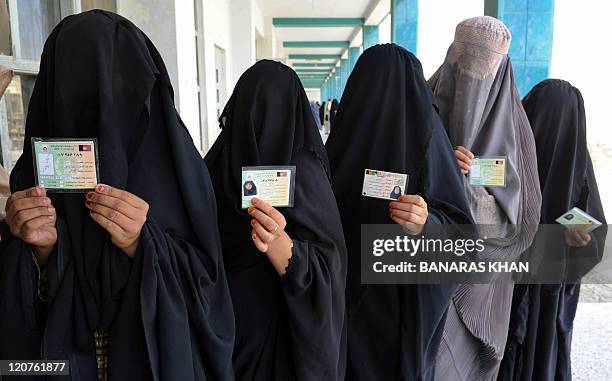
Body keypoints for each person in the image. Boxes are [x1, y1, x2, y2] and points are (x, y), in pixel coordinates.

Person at [0, 10, 234, 380]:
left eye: (113, 97)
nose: (98, 118)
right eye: (75, 98)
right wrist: (39, 251)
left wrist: (143, 245)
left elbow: (212, 292)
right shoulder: (31, 184)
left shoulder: (179, 173)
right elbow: (17, 352)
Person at [325, 43, 474, 381]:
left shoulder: (426, 139)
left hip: (390, 305)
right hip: (357, 307)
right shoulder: (343, 145)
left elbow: (461, 235)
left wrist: (426, 222)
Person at [205, 60, 347, 380]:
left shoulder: (305, 174)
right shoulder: (212, 169)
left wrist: (283, 248)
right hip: (221, 332)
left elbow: (331, 265)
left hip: (276, 338)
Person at [428, 16, 541, 380]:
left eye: (484, 72)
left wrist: (473, 185)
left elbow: (519, 221)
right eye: (464, 67)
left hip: (481, 286)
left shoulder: (516, 131)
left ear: (501, 71)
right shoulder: (423, 110)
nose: (471, 85)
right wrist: (440, 161)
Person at [499, 80, 607, 381]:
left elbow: (591, 228)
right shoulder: (512, 157)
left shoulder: (569, 162)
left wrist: (574, 231)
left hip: (537, 289)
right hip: (516, 285)